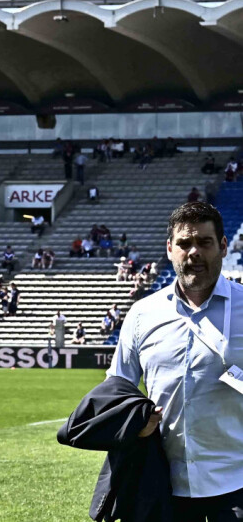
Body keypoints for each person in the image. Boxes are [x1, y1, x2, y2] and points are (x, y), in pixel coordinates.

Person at [107, 202, 243, 518]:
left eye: (205, 242)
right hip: (164, 483)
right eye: (184, 243)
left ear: (223, 247)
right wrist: (135, 424)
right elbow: (116, 389)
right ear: (169, 249)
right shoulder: (142, 314)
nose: (193, 252)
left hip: (237, 480)